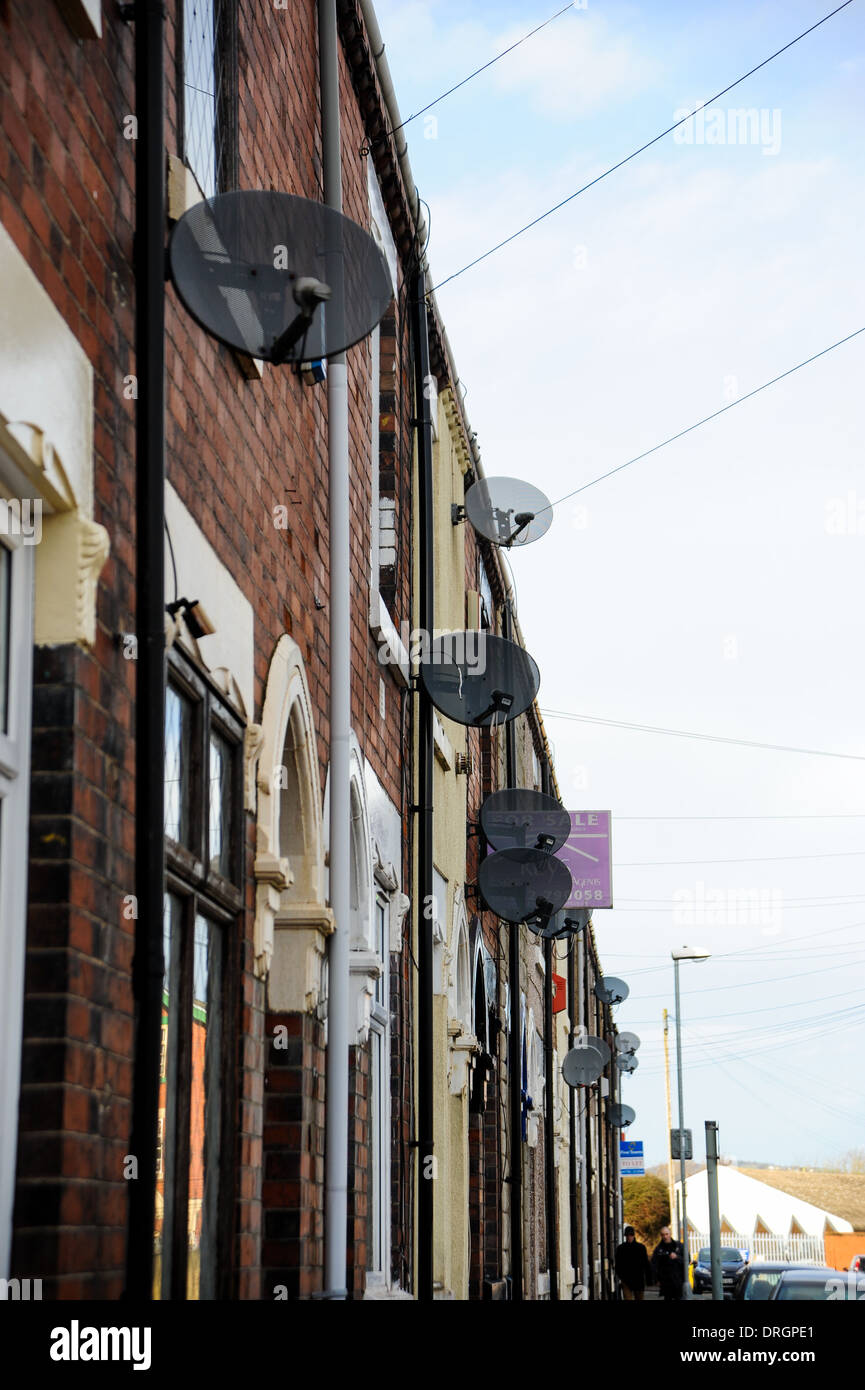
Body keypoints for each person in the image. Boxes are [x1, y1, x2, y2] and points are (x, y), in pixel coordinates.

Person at [615, 1225, 652, 1300]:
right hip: (626, 1279)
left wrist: (649, 1279)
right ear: (625, 1236)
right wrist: (620, 1275)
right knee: (627, 1297)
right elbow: (618, 1264)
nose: (629, 1237)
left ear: (633, 1235)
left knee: (639, 1298)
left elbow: (646, 1263)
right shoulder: (621, 1249)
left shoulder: (641, 1248)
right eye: (627, 1235)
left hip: (638, 1279)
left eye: (631, 1235)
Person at [652, 1226, 686, 1301]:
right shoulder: (658, 1249)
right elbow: (654, 1265)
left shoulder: (679, 1246)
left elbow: (687, 1260)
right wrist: (656, 1280)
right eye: (663, 1235)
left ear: (670, 1234)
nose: (665, 1236)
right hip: (666, 1282)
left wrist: (677, 1257)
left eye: (666, 1234)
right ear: (661, 1236)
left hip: (678, 1280)